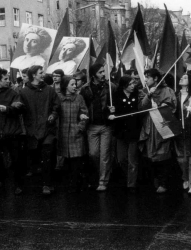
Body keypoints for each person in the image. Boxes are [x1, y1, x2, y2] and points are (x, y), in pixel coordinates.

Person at [19, 65, 60, 195]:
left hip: (48, 129)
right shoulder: (24, 92)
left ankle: (46, 184)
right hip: (32, 130)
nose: (43, 74)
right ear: (34, 75)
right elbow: (20, 109)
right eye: (41, 72)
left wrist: (53, 115)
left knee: (47, 155)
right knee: (36, 157)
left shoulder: (49, 90)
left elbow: (56, 105)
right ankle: (42, 181)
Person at [138, 68, 177, 194]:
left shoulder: (168, 90)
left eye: (148, 77)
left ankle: (163, 182)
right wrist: (149, 95)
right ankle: (155, 178)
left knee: (163, 154)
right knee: (150, 155)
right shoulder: (143, 91)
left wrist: (160, 103)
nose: (145, 80)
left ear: (155, 79)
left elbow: (172, 107)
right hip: (149, 127)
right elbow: (141, 107)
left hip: (162, 126)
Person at [79, 63, 115, 192]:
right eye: (100, 72)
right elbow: (81, 105)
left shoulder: (110, 86)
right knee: (93, 154)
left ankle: (103, 181)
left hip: (106, 126)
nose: (103, 74)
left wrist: (113, 110)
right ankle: (101, 174)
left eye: (104, 72)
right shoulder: (85, 88)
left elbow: (115, 103)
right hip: (92, 126)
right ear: (94, 74)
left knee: (104, 154)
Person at [57, 76, 89, 193]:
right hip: (63, 132)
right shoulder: (58, 97)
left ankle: (76, 184)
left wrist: (80, 127)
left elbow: (84, 112)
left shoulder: (79, 98)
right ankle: (69, 183)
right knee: (66, 160)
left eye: (75, 84)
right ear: (65, 85)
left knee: (76, 160)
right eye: (72, 84)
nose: (75, 86)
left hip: (76, 133)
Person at [110, 76, 141, 191]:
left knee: (133, 159)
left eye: (134, 83)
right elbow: (108, 111)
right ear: (124, 85)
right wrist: (111, 112)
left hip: (134, 130)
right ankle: (129, 176)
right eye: (130, 84)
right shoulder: (116, 96)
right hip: (120, 131)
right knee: (121, 158)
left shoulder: (137, 95)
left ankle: (131, 184)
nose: (133, 86)